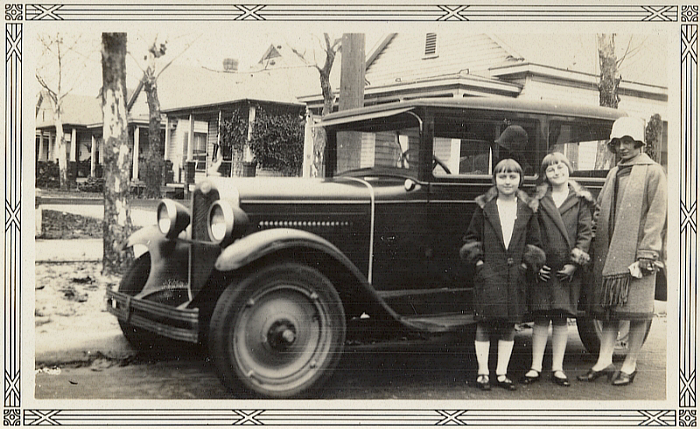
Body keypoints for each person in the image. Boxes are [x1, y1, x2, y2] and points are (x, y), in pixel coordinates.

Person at [577, 116, 667, 386]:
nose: (622, 148)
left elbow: (657, 215)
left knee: (637, 310)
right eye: (617, 143)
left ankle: (630, 363)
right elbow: (602, 208)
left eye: (627, 142)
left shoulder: (653, 171)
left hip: (639, 254)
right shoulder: (614, 172)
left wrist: (647, 254)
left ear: (638, 143)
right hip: (609, 252)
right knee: (610, 310)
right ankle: (604, 360)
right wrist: (593, 239)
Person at [460, 159, 546, 391]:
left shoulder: (527, 210)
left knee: (509, 324)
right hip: (489, 274)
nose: (507, 182)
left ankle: (501, 373)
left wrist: (525, 267)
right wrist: (479, 264)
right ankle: (482, 373)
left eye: (512, 177)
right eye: (502, 177)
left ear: (520, 180)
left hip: (515, 276)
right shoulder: (484, 208)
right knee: (484, 323)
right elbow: (470, 239)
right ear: (494, 180)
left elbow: (535, 243)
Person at [520, 152, 595, 387]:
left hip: (566, 269)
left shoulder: (581, 200)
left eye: (560, 166)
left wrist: (575, 263)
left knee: (561, 318)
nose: (556, 171)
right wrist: (535, 263)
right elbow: (530, 233)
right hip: (544, 268)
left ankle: (558, 368)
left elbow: (585, 233)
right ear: (545, 174)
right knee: (541, 317)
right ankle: (535, 367)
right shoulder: (539, 200)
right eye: (550, 169)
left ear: (569, 170)